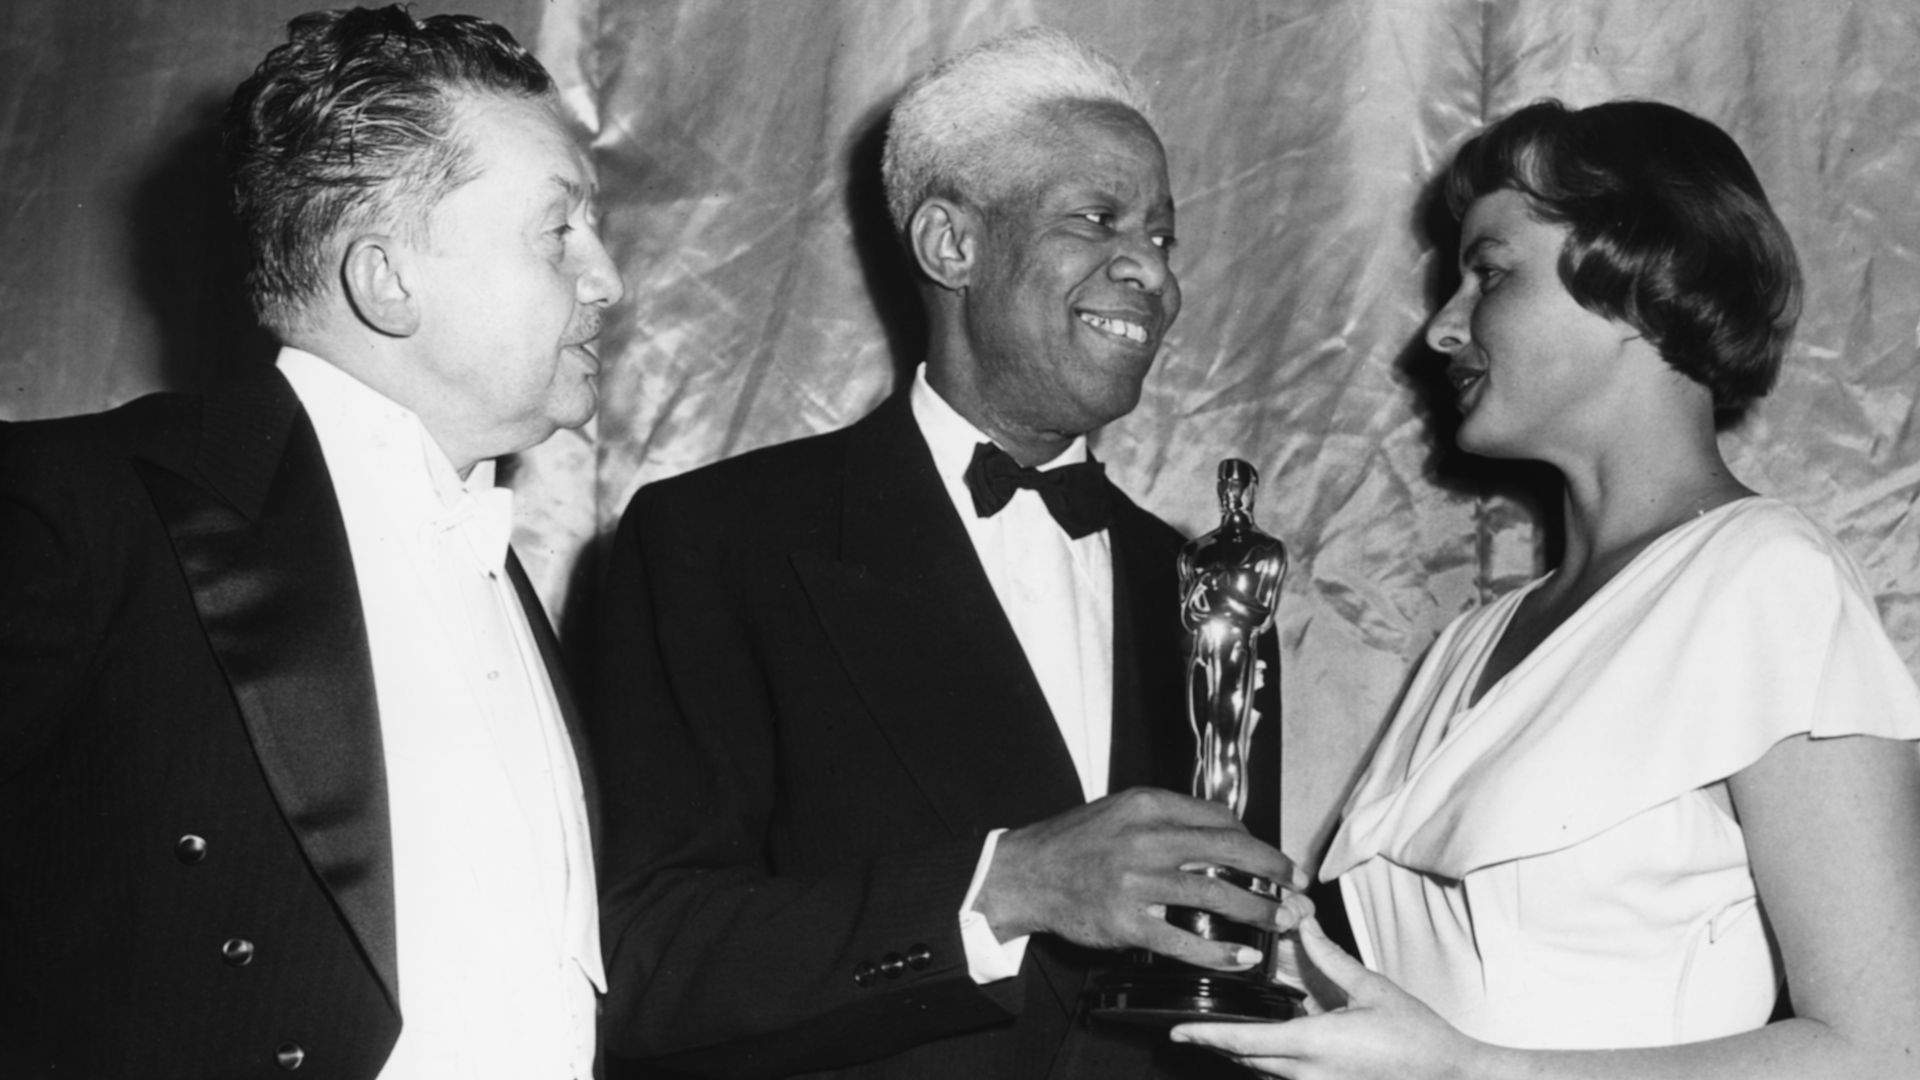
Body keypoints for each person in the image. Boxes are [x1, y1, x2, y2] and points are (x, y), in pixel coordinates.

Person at [592, 26, 1305, 1080]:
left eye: (1163, 237)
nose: (1152, 274)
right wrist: (1002, 888)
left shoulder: (1208, 594)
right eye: (1098, 220)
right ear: (950, 245)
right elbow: (647, 961)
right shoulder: (718, 542)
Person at [1172, 99, 1920, 1078]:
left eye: (1489, 274)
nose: (1442, 330)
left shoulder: (1770, 582)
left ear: (1644, 283)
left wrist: (1480, 1073)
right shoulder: (1468, 644)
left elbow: (1887, 1050)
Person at [0, 7, 623, 1077]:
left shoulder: (484, 546)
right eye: (558, 230)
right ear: (387, 280)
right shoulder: (77, 509)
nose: (607, 278)